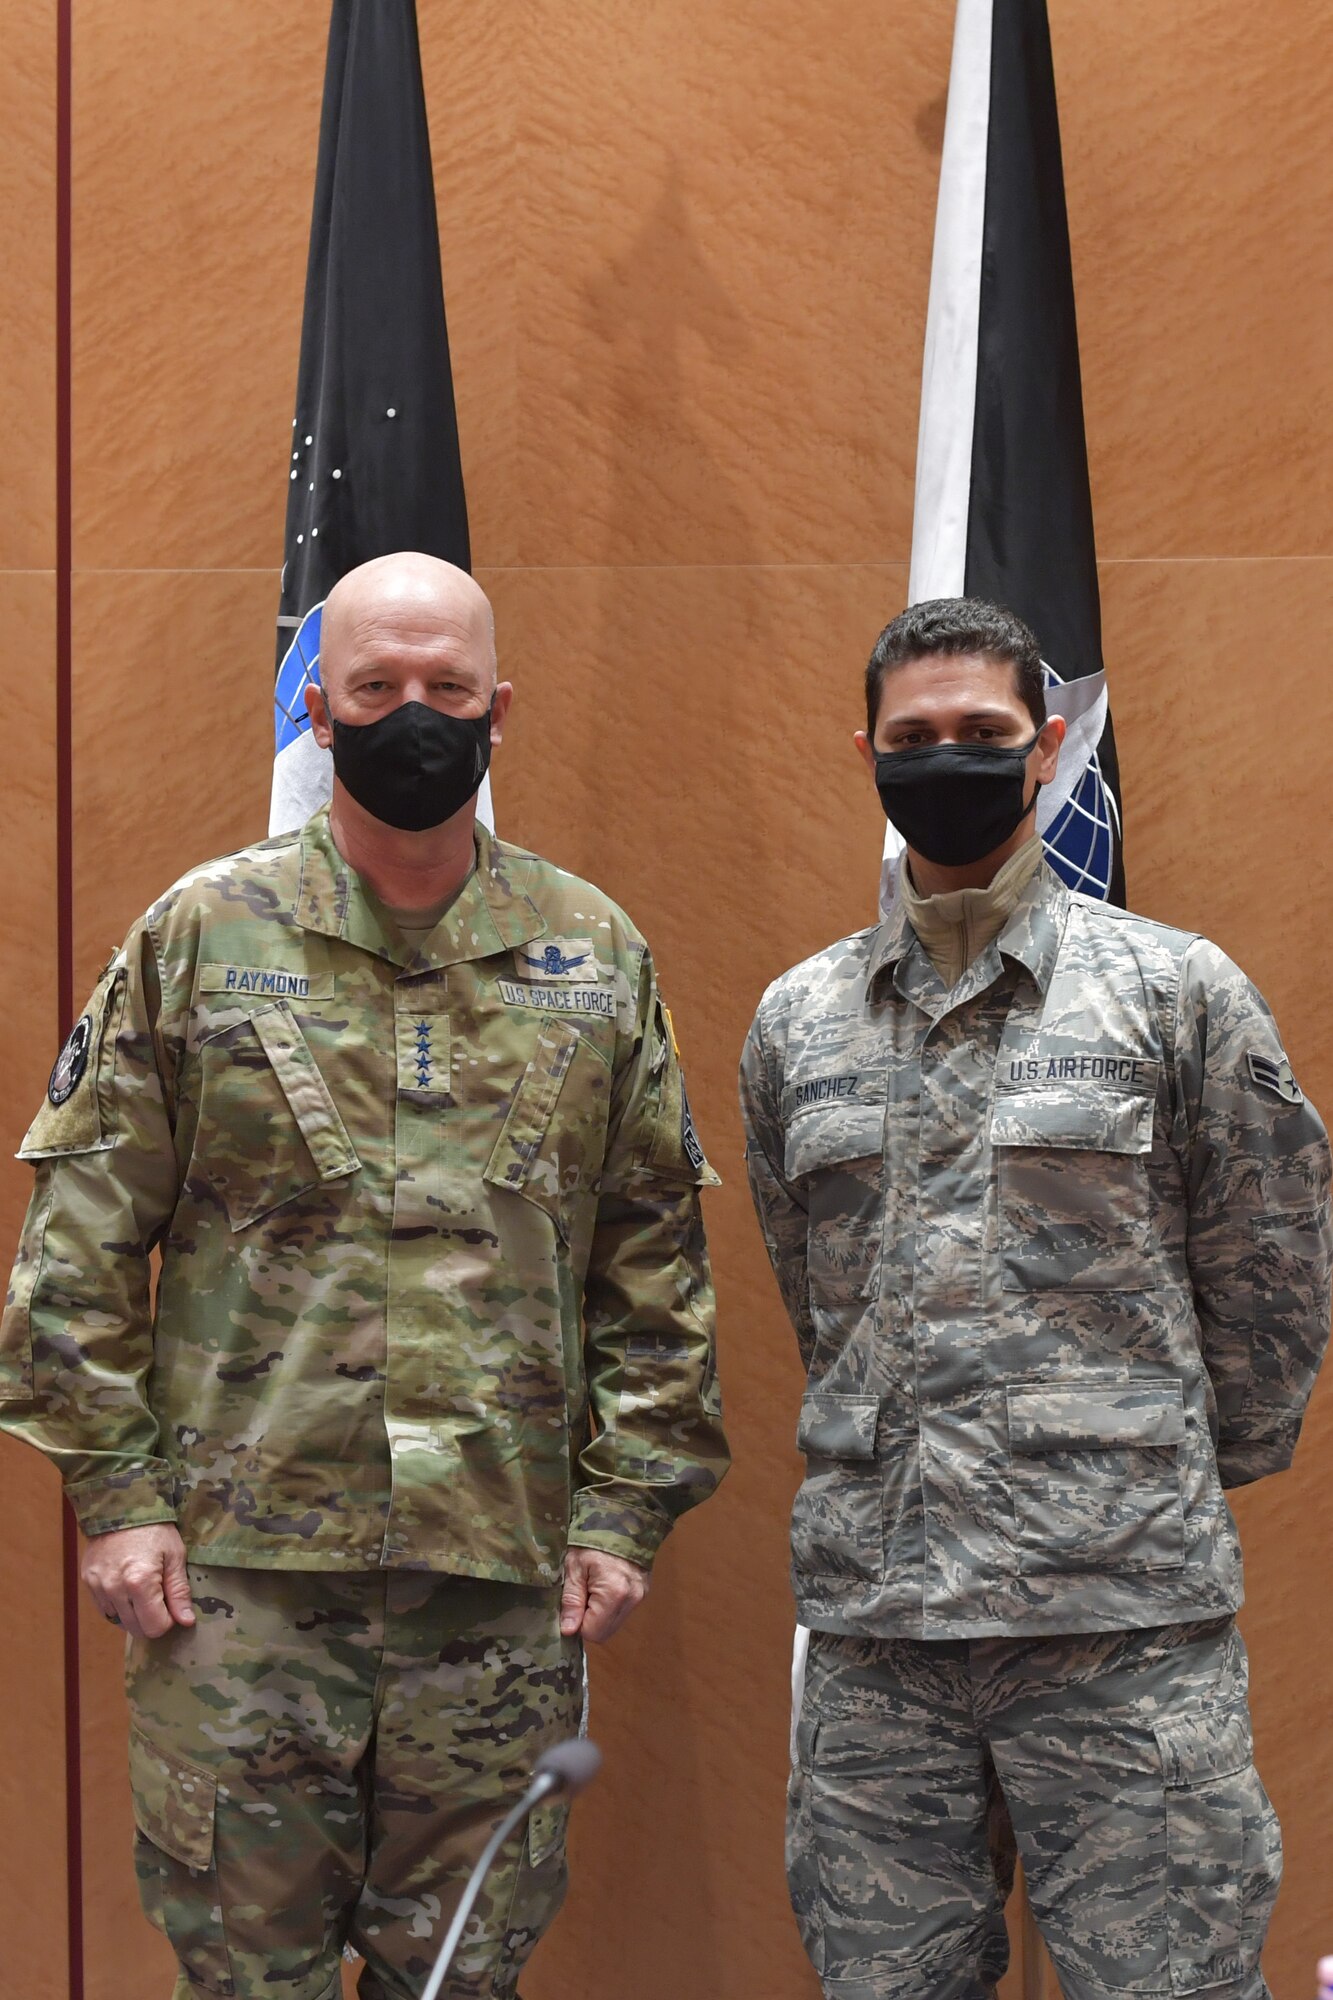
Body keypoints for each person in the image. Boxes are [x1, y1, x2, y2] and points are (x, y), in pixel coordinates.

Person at [0, 552, 728, 2000]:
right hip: (240, 1591)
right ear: (317, 708)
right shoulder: (201, 937)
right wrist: (120, 1501)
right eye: (378, 688)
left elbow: (654, 1265)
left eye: (446, 691)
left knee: (459, 1977)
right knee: (243, 1979)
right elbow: (78, 1247)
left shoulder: (591, 953)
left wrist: (625, 1511)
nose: (415, 716)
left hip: (501, 1590)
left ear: (496, 708)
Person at [738, 596, 1331, 2000]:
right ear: (867, 753)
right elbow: (816, 1295)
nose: (946, 760)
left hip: (1120, 1633)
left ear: (1048, 746)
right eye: (913, 738)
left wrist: (1139, 1472)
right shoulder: (796, 1021)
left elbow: (1272, 1265)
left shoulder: (1171, 992)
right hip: (879, 1638)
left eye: (982, 735)